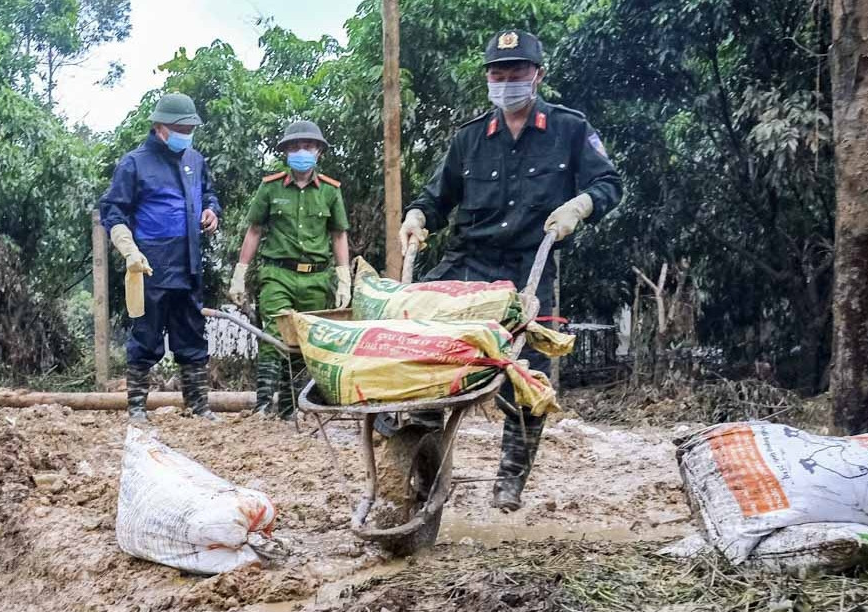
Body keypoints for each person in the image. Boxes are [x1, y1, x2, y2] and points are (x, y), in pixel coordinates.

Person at [398, 29, 622, 511]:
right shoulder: (471, 138)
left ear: (537, 75)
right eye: (497, 74)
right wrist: (417, 217)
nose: (506, 82)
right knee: (422, 344)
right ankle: (422, 457)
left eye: (516, 72)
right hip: (468, 263)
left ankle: (511, 476)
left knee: (526, 370)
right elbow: (437, 198)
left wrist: (579, 206)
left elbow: (608, 183)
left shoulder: (570, 129)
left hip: (529, 265)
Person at [99, 92, 222, 423]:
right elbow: (113, 210)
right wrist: (128, 248)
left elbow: (209, 193)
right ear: (159, 127)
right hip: (150, 263)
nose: (187, 132)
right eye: (180, 127)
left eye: (191, 127)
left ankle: (198, 405)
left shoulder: (195, 160)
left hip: (190, 263)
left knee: (193, 334)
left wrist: (211, 210)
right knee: (146, 335)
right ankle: (137, 407)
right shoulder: (134, 163)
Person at [230, 120, 351, 419]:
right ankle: (262, 407)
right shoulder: (270, 188)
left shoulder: (330, 192)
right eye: (295, 147)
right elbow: (254, 230)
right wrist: (240, 272)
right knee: (274, 333)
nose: (302, 152)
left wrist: (343, 275)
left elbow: (338, 234)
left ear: (319, 152)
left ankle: (289, 408)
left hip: (317, 277)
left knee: (303, 340)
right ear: (285, 151)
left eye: (308, 147)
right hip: (277, 274)